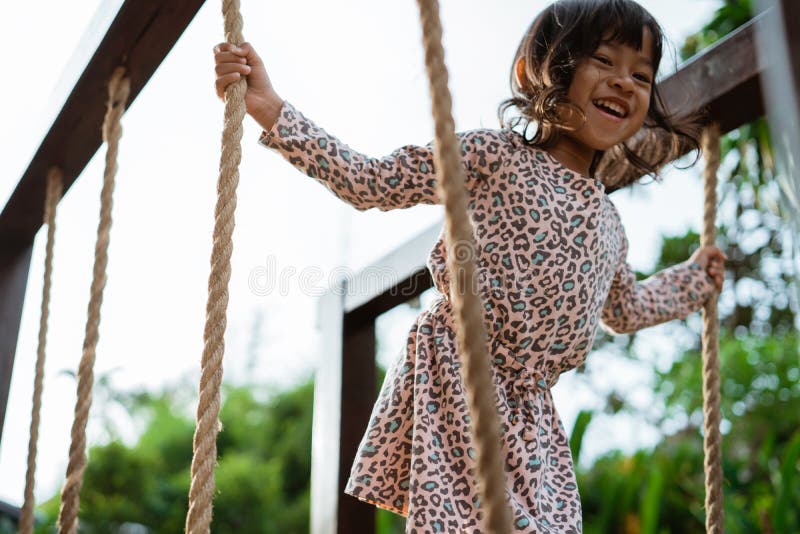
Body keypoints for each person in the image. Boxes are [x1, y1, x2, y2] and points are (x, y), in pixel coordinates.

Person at [213, 0, 726, 531]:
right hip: (461, 376)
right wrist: (272, 109)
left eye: (641, 75)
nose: (625, 82)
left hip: (532, 419)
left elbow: (625, 307)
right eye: (604, 60)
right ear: (541, 71)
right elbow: (372, 181)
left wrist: (693, 280)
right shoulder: (494, 157)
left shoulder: (610, 225)